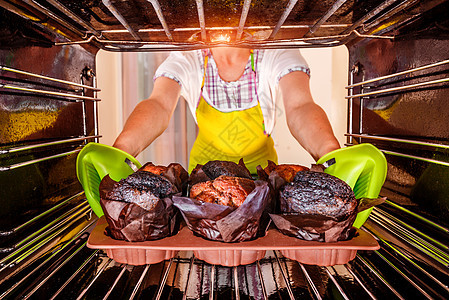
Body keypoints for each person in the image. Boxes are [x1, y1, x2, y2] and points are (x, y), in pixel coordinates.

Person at [113, 36, 340, 174]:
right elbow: (159, 104)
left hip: (261, 173)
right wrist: (121, 150)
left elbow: (300, 106)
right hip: (204, 175)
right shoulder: (188, 56)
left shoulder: (275, 50)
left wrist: (331, 153)